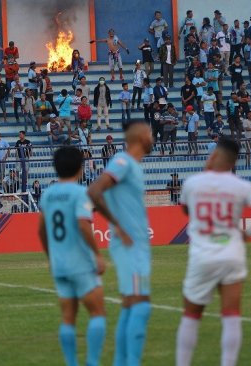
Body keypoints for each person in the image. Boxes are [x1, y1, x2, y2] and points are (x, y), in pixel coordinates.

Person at [176, 137, 251, 366]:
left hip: (202, 254)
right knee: (231, 315)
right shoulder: (241, 185)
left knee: (191, 315)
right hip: (231, 252)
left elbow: (185, 209)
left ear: (213, 156)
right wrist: (248, 232)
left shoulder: (193, 183)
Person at [88, 123, 154, 366]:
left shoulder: (133, 165)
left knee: (130, 305)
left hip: (136, 246)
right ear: (140, 137)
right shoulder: (123, 162)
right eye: (150, 133)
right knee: (140, 306)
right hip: (130, 246)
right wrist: (117, 224)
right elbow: (95, 190)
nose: (152, 137)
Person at [37, 146, 106, 366]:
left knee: (68, 317)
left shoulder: (48, 194)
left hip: (60, 264)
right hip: (80, 262)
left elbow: (41, 229)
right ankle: (92, 363)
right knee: (97, 313)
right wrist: (97, 254)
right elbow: (83, 224)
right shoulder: (80, 193)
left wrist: (50, 257)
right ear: (80, 167)